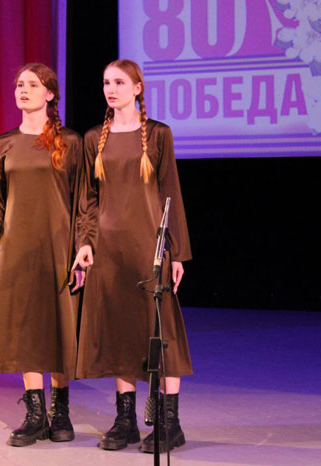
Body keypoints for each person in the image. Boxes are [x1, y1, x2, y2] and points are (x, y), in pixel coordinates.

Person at [73, 59, 193, 454]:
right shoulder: (95, 138)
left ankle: (169, 423)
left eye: (120, 82)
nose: (111, 89)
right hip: (109, 249)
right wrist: (85, 242)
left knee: (162, 331)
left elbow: (170, 192)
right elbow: (88, 199)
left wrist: (177, 252)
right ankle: (125, 421)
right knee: (120, 332)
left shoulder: (158, 134)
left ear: (138, 87)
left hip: (149, 247)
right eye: (106, 82)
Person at [0, 63, 84, 447]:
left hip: (58, 246)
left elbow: (83, 199)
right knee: (25, 327)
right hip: (18, 247)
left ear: (49, 94)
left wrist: (83, 245)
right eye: (20, 84)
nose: (23, 90)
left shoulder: (70, 141)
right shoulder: (4, 143)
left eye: (33, 85)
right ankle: (35, 413)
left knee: (58, 326)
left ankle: (61, 410)